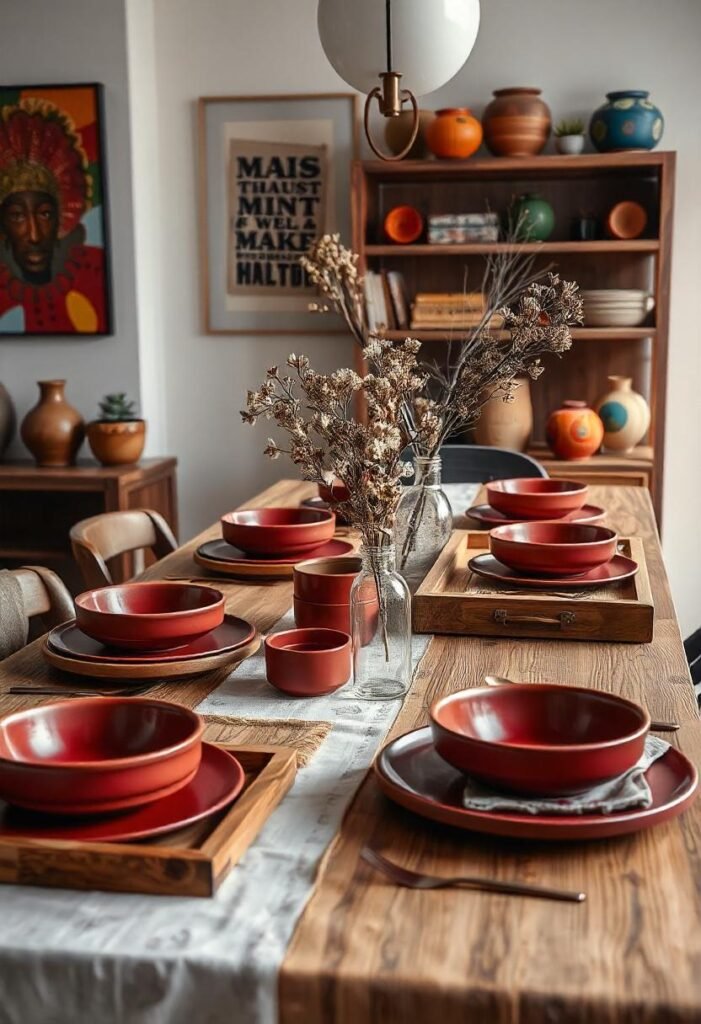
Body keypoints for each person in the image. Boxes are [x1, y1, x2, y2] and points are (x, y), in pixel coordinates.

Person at [0, 98, 107, 333]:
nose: (35, 235)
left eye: (45, 214)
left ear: (62, 217)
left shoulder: (94, 269)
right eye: (17, 216)